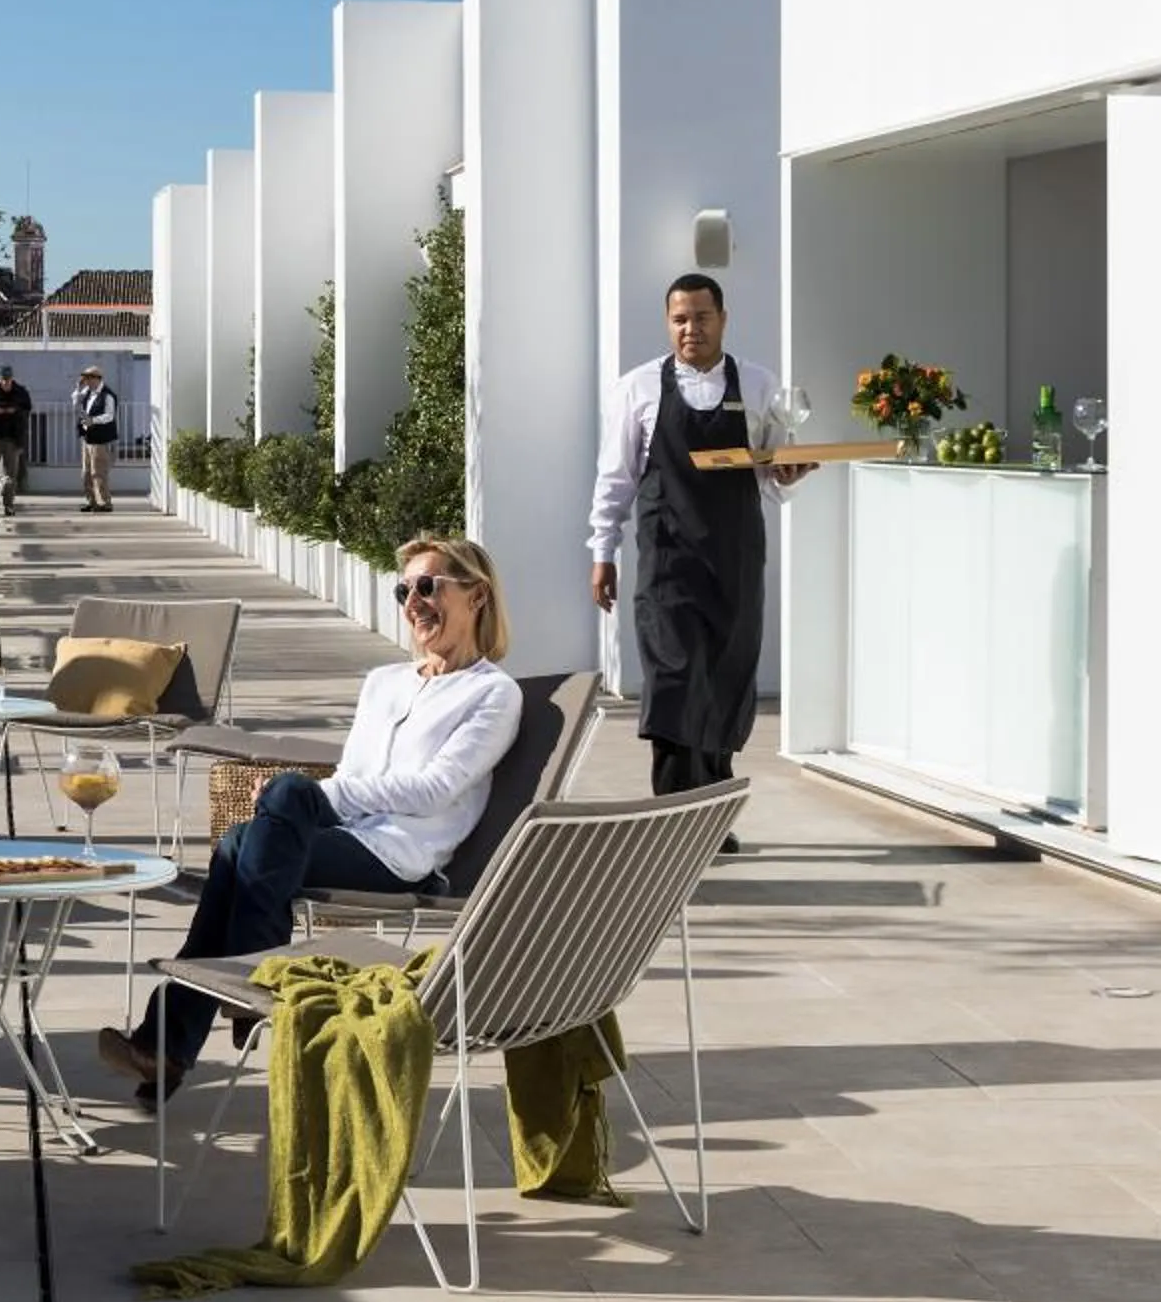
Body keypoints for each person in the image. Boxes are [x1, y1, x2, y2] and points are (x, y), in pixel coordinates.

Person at [97, 536, 522, 1100]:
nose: (413, 601)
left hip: (401, 855)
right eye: (404, 590)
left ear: (477, 596)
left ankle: (204, 1013)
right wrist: (305, 803)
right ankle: (194, 1025)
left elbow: (436, 788)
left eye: (428, 586)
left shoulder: (492, 694)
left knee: (274, 814)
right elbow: (355, 771)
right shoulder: (384, 683)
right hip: (345, 836)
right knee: (244, 840)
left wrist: (311, 799)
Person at [588, 273, 815, 856]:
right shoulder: (637, 389)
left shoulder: (761, 386)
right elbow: (615, 480)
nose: (691, 328)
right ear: (669, 323)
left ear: (723, 318)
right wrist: (603, 552)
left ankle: (709, 818)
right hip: (667, 564)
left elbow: (773, 477)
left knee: (724, 685)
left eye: (702, 317)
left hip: (736, 560)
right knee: (673, 684)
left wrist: (788, 476)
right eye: (680, 318)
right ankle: (672, 819)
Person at [0, 363, 33, 513]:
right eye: (3, 379)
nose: (6, 383)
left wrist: (14, 410)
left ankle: (8, 504)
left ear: (12, 378)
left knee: (11, 474)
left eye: (8, 379)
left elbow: (27, 410)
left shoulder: (20, 392)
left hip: (13, 438)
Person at [71, 363, 120, 512]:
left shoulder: (107, 395)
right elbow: (75, 403)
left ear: (96, 379)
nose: (85, 381)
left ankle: (104, 502)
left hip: (100, 439)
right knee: (86, 473)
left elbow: (109, 416)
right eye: (84, 379)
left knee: (98, 472)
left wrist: (93, 420)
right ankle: (92, 501)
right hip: (88, 438)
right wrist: (78, 388)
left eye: (88, 379)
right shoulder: (87, 392)